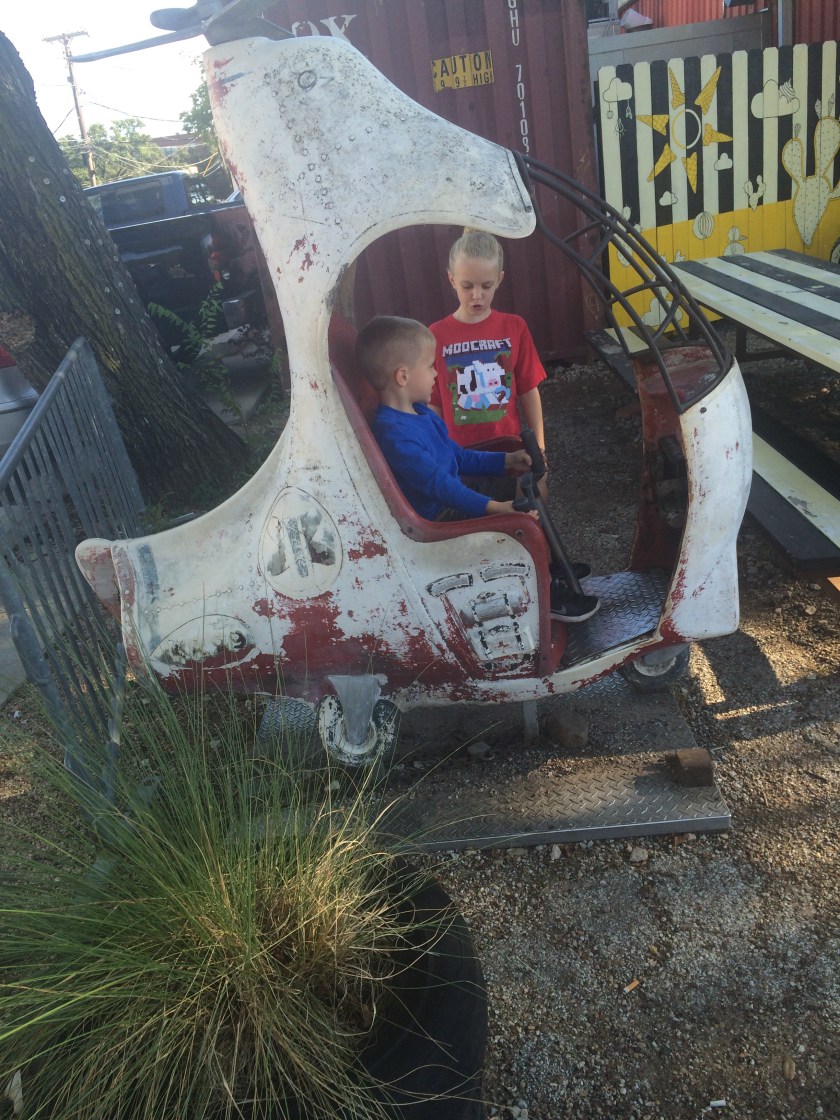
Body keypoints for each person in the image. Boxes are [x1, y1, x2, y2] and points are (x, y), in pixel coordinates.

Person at [355, 315, 600, 622]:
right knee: (517, 523)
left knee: (530, 488)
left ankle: (549, 567)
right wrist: (499, 509)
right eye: (430, 366)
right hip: (438, 518)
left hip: (455, 495)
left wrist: (507, 460)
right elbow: (441, 487)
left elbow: (456, 456)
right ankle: (547, 597)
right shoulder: (394, 434)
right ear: (403, 376)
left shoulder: (420, 413)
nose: (436, 375)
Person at [429, 229, 547, 466]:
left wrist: (539, 451)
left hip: (508, 452)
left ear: (500, 279)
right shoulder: (434, 335)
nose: (477, 296)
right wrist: (438, 455)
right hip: (460, 456)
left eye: (486, 285)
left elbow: (528, 390)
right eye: (467, 286)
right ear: (452, 280)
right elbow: (433, 402)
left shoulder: (515, 327)